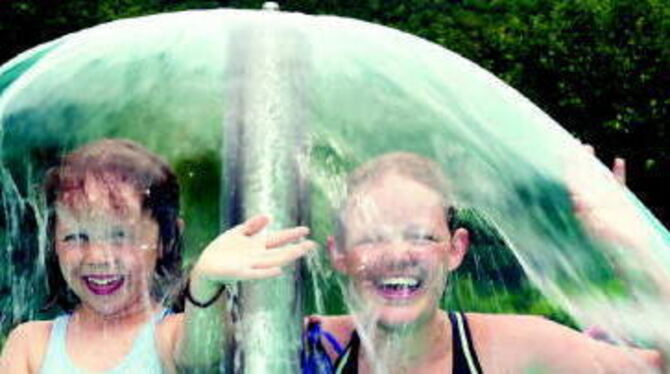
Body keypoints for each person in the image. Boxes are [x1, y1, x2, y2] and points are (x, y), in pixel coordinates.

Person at [305, 152, 663, 373]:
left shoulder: (518, 351)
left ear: (456, 249)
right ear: (338, 254)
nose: (398, 255)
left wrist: (628, 248)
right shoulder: (305, 346)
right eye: (373, 238)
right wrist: (244, 275)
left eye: (421, 237)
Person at [0, 138, 314, 373]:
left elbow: (206, 349)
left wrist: (205, 281)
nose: (97, 256)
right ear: (52, 242)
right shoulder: (31, 345)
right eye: (75, 237)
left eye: (120, 235)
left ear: (166, 239)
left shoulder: (168, 337)